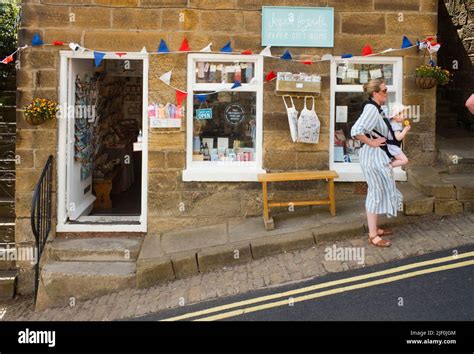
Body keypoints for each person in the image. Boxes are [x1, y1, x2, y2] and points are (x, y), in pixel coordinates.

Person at [351, 79, 403, 247]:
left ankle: (375, 228)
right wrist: (372, 142)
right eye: (384, 90)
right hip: (373, 156)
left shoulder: (376, 109)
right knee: (374, 192)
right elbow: (355, 130)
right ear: (375, 93)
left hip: (377, 156)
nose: (386, 93)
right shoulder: (372, 109)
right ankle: (373, 235)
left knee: (378, 191)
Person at [387, 103, 411, 169]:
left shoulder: (391, 123)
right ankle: (388, 167)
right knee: (404, 160)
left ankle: (389, 166)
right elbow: (398, 138)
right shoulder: (395, 125)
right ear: (396, 116)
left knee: (394, 159)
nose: (405, 117)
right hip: (393, 147)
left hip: (390, 146)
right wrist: (405, 130)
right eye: (403, 115)